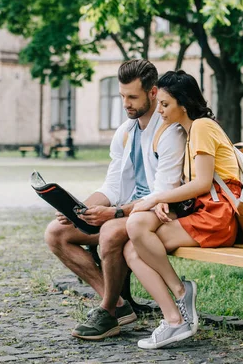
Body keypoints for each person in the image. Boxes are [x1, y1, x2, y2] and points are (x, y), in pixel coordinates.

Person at [44, 59, 186, 341]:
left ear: (153, 92)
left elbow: (162, 194)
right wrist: (79, 209)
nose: (126, 104)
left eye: (133, 97)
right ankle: (119, 305)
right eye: (122, 96)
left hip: (160, 215)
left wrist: (113, 214)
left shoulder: (170, 131)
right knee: (56, 233)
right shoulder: (125, 132)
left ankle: (107, 311)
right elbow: (112, 185)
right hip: (126, 212)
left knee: (109, 232)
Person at [123, 70, 242, 349]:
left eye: (165, 104)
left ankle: (180, 299)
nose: (159, 110)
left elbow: (202, 183)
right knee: (132, 246)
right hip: (203, 211)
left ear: (183, 104)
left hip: (217, 217)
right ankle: (175, 316)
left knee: (136, 229)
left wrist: (156, 198)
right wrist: (166, 200)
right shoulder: (189, 132)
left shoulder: (201, 128)